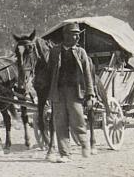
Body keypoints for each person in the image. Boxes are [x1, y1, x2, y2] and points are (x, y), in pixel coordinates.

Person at [39, 22, 95, 163]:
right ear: (65, 36)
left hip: (75, 92)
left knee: (77, 120)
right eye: (73, 34)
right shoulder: (55, 52)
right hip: (58, 92)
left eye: (77, 35)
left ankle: (84, 143)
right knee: (60, 123)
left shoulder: (81, 52)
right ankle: (65, 154)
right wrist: (46, 93)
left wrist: (90, 95)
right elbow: (49, 73)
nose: (76, 37)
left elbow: (87, 75)